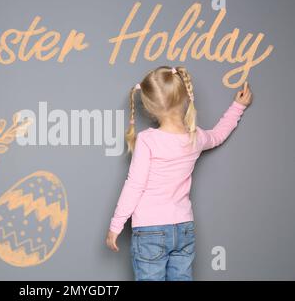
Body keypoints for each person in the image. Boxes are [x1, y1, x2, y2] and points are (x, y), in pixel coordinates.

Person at [106, 66, 253, 281]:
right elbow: (218, 134)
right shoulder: (195, 137)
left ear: (149, 106)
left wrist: (115, 225)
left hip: (150, 230)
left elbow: (134, 185)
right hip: (183, 228)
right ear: (183, 96)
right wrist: (238, 106)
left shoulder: (148, 140)